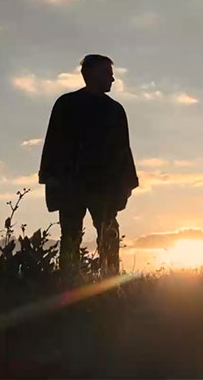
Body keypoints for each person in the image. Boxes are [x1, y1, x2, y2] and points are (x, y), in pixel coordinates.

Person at [38, 54, 138, 277]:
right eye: (107, 74)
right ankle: (69, 281)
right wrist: (52, 179)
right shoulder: (66, 105)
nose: (112, 79)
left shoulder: (115, 110)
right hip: (72, 183)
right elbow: (53, 143)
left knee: (108, 233)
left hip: (104, 185)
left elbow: (123, 149)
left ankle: (110, 281)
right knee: (71, 235)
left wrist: (126, 184)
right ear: (90, 74)